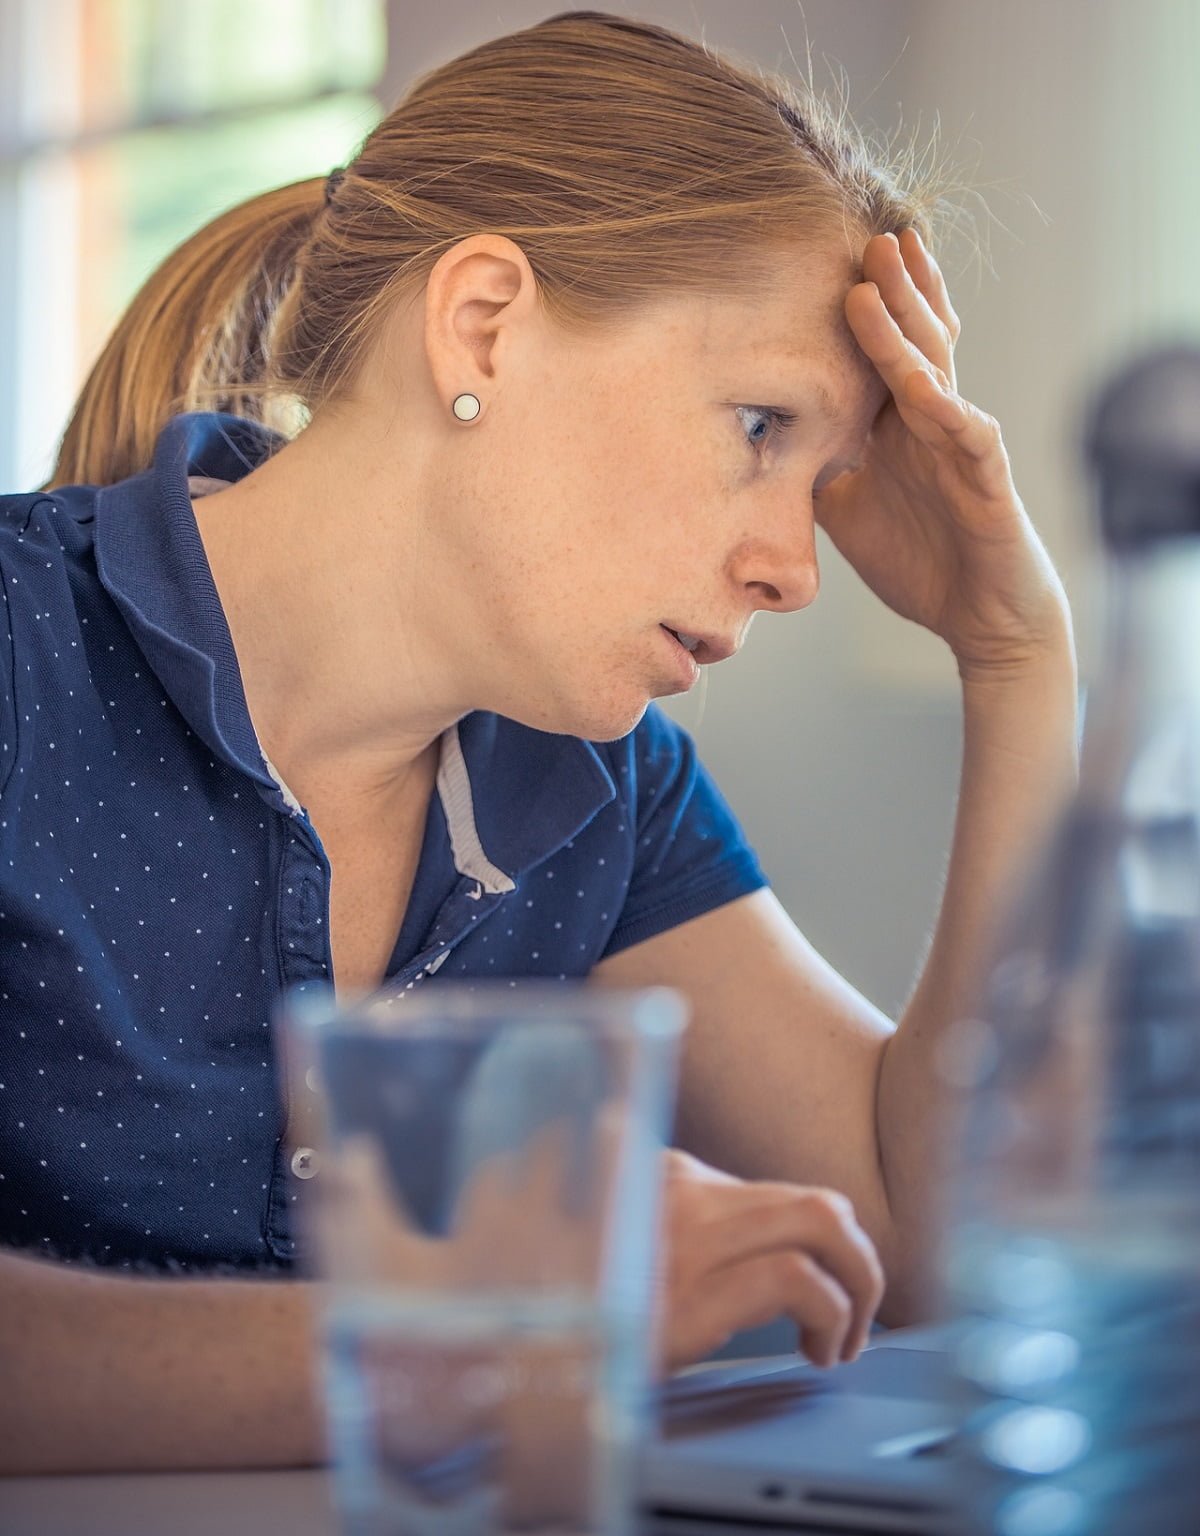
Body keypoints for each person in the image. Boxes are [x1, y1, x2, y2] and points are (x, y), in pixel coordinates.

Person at [0, 9, 1078, 1475]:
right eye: (761, 422)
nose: (796, 567)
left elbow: (930, 1237)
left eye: (820, 481)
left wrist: (1018, 660)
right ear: (483, 324)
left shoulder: (597, 788)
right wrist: (490, 1338)